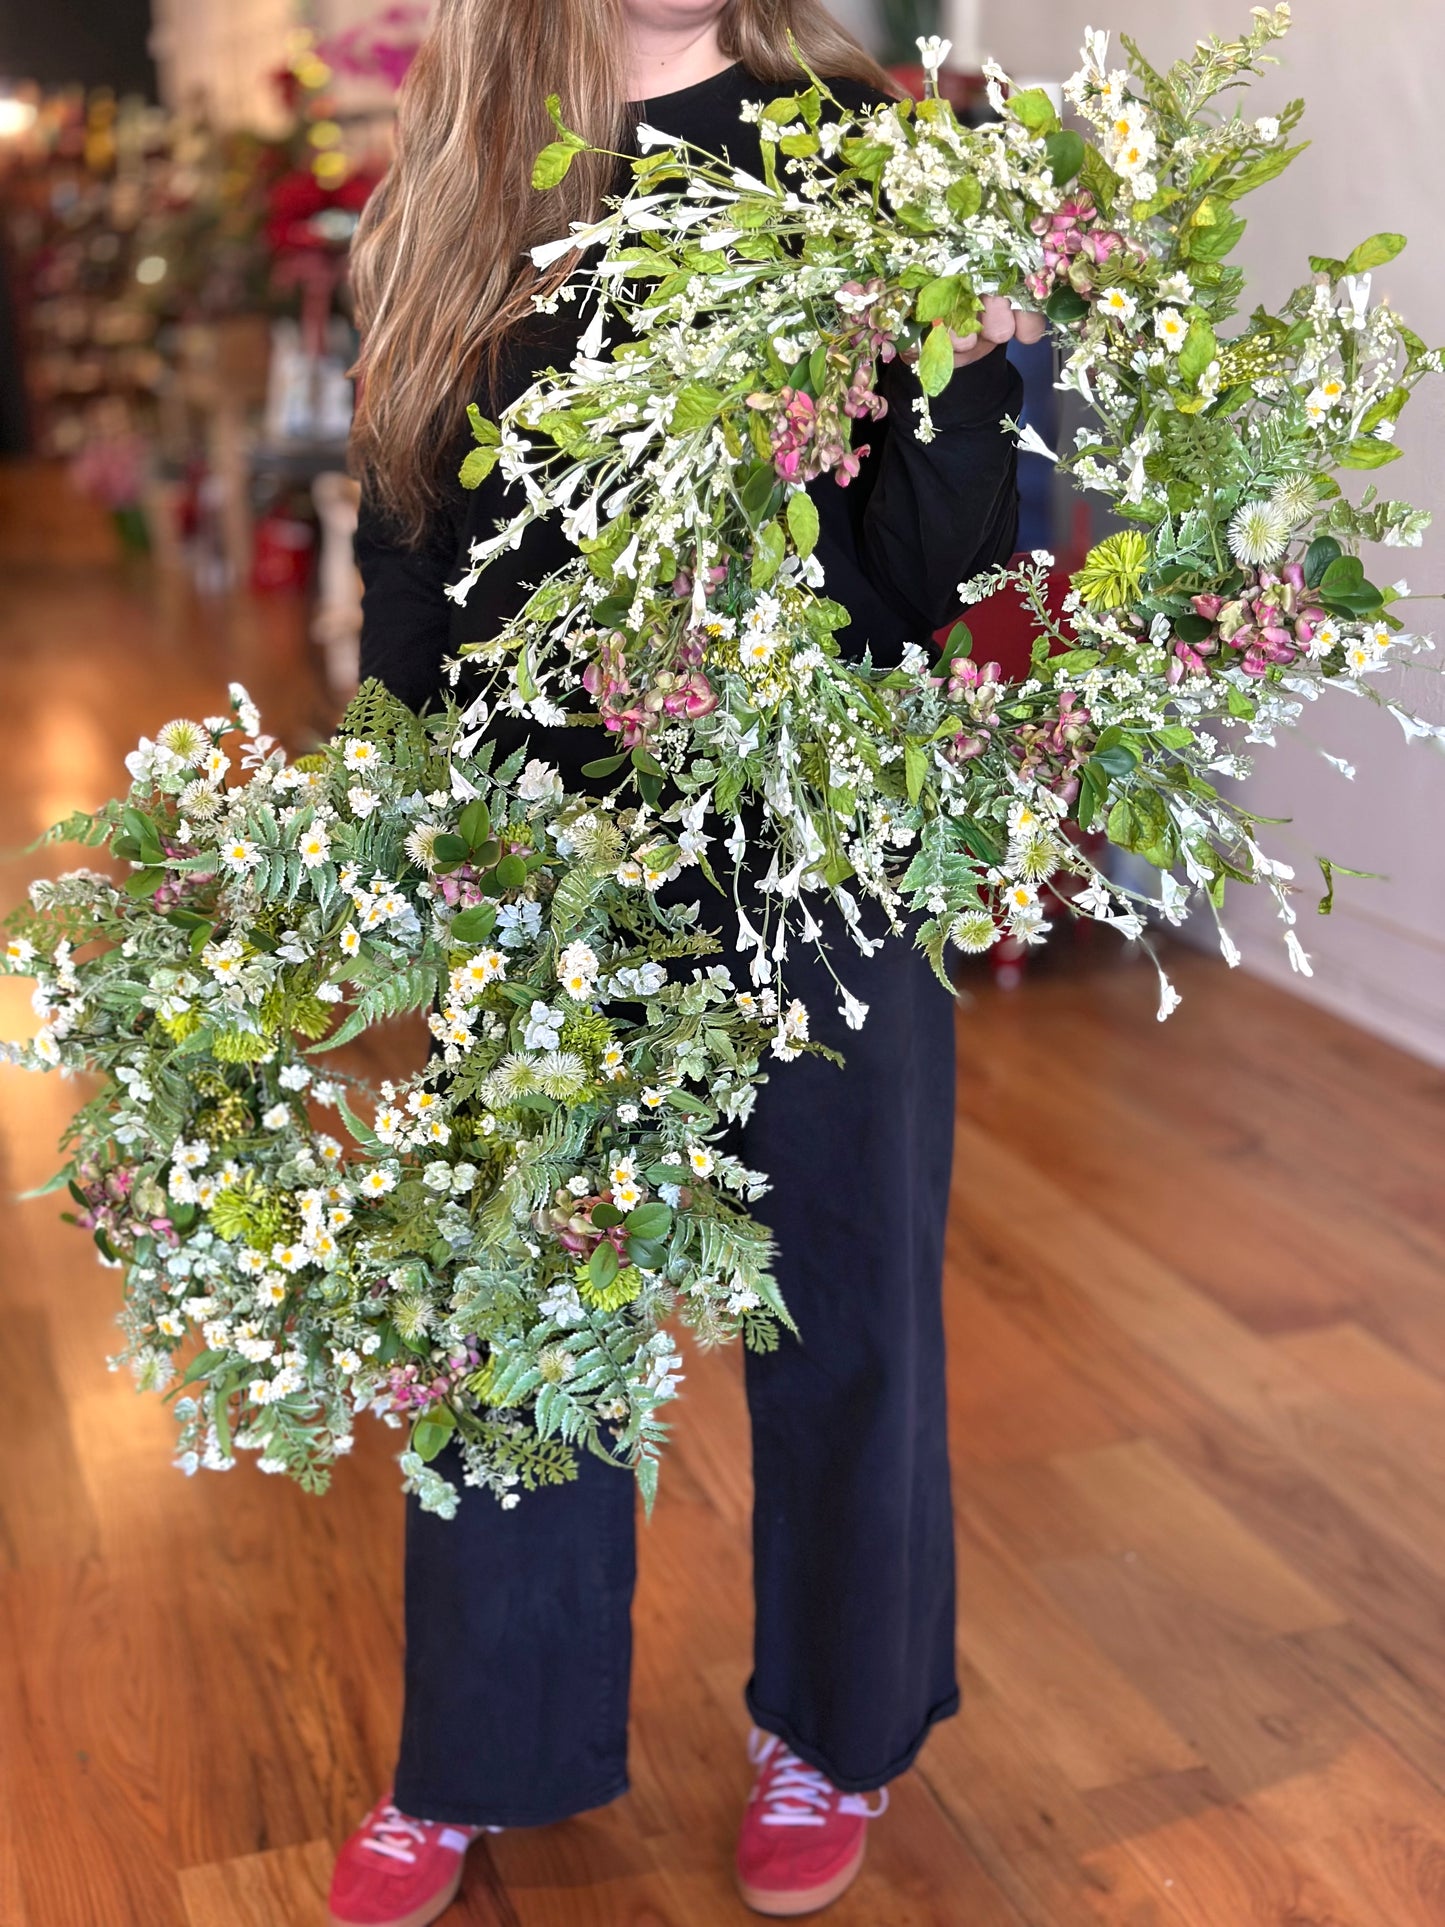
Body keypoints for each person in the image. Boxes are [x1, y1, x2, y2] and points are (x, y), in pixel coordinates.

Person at [337, 2, 1042, 1920]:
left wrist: (982, 362)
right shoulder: (457, 185)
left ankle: (838, 1723)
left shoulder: (862, 152)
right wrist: (410, 816)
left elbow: (942, 565)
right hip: (536, 855)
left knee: (844, 1301)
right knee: (509, 1320)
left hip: (813, 835)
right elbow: (410, 536)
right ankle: (480, 1748)